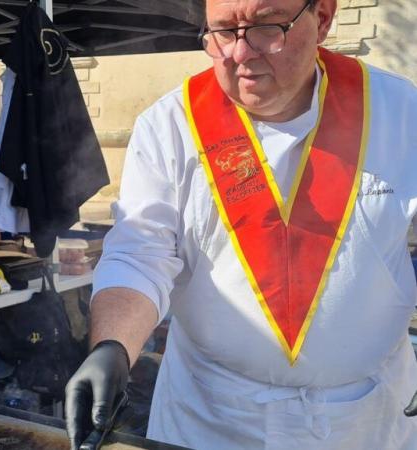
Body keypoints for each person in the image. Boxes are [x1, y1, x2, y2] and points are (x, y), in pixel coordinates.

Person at [65, 1, 417, 449]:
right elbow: (140, 253)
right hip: (212, 418)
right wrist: (111, 346)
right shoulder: (171, 124)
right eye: (223, 32)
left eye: (266, 28)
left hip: (368, 420)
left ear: (323, 18)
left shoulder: (399, 110)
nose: (239, 53)